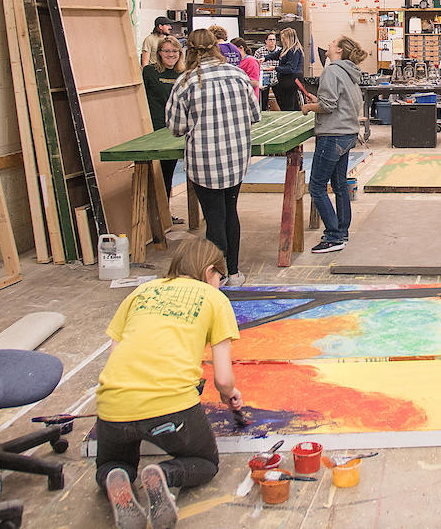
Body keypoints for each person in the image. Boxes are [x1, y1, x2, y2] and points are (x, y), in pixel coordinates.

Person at [95, 236, 241, 529]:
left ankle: (117, 477)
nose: (219, 284)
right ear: (209, 271)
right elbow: (223, 378)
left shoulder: (141, 292)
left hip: (113, 405)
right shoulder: (215, 299)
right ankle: (165, 475)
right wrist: (230, 394)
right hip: (170, 410)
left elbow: (114, 356)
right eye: (219, 278)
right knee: (205, 462)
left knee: (111, 464)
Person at [166, 29, 260, 288]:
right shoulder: (238, 75)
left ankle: (215, 277)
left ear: (190, 50)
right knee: (230, 212)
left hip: (204, 160)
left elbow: (175, 127)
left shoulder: (185, 82)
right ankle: (233, 273)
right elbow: (255, 114)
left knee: (214, 217)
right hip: (235, 157)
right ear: (216, 47)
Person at [300, 36, 367, 254]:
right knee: (339, 186)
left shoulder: (331, 70)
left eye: (332, 42)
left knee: (316, 187)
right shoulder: (350, 72)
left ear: (338, 50)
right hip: (347, 133)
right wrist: (317, 101)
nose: (327, 44)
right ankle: (342, 233)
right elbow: (344, 102)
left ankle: (333, 236)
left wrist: (309, 108)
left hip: (332, 135)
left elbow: (328, 106)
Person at [142, 35, 184, 203]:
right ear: (159, 53)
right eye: (166, 51)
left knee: (167, 173)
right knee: (153, 174)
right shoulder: (150, 72)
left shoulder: (183, 73)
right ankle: (154, 212)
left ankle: (165, 212)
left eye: (174, 51)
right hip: (154, 130)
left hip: (174, 131)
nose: (170, 54)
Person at [273, 27, 305, 112]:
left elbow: (290, 68)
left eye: (283, 38)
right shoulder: (285, 49)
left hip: (291, 80)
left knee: (288, 105)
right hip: (287, 79)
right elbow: (276, 55)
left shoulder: (294, 51)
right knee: (291, 103)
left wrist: (275, 68)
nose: (282, 40)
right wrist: (264, 59)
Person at [254, 32, 281, 110]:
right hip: (264, 78)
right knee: (263, 99)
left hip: (276, 78)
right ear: (266, 41)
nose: (272, 41)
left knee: (280, 98)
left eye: (274, 39)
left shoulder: (280, 51)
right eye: (270, 40)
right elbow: (255, 64)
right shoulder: (259, 52)